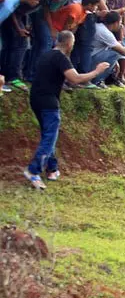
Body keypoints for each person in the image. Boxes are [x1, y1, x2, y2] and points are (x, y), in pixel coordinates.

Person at [23, 30, 110, 189]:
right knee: (49, 137)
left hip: (35, 99)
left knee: (48, 135)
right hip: (48, 102)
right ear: (70, 43)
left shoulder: (46, 54)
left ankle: (52, 169)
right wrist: (97, 71)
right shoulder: (61, 58)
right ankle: (33, 171)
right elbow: (75, 79)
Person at [0, 0, 46, 91]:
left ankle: (8, 76)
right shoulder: (8, 5)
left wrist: (20, 27)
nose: (37, 2)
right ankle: (10, 77)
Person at [89, 10, 125, 87]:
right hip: (91, 60)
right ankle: (97, 80)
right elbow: (123, 51)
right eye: (120, 22)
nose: (121, 25)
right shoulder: (105, 32)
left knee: (114, 52)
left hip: (90, 58)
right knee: (115, 53)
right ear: (115, 23)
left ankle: (108, 78)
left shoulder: (100, 26)